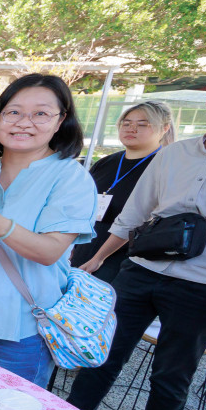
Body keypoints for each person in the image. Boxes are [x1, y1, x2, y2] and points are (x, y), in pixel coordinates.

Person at [68, 66, 206, 410]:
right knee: (103, 349)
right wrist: (98, 258)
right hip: (143, 270)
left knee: (174, 368)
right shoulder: (174, 153)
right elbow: (134, 214)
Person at [0, 73, 97, 388]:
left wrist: (3, 227)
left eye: (40, 113)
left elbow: (50, 251)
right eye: (13, 112)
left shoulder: (70, 177)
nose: (23, 122)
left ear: (60, 121)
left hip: (20, 331)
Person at [71, 101, 174, 283]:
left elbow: (138, 219)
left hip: (125, 260)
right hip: (85, 249)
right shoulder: (107, 162)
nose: (131, 129)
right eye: (126, 123)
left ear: (165, 128)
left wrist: (98, 258)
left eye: (142, 124)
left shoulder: (166, 166)